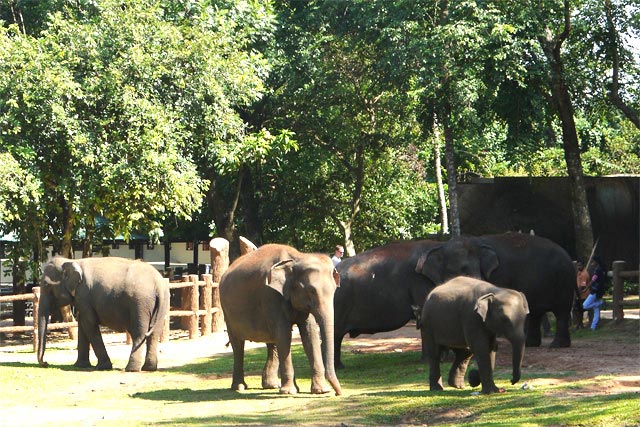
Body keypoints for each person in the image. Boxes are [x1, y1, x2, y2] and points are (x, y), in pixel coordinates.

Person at [582, 256, 607, 330]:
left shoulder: (597, 270)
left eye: (593, 261)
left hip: (595, 291)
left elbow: (593, 280)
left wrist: (586, 289)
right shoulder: (602, 269)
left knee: (584, 306)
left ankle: (601, 303)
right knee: (596, 309)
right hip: (600, 290)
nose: (591, 263)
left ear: (596, 262)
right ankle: (593, 327)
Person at [573, 261, 592, 329]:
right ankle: (579, 324)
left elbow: (582, 286)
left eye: (580, 266)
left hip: (583, 294)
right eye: (578, 266)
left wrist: (576, 295)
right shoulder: (579, 272)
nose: (578, 267)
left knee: (579, 309)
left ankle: (580, 324)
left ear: (583, 265)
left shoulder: (584, 274)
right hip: (580, 294)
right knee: (578, 310)